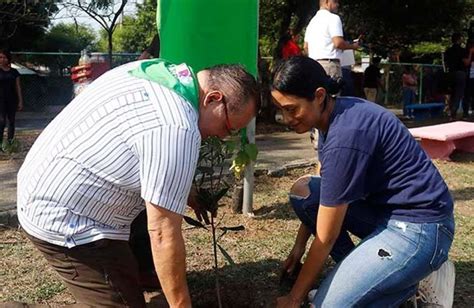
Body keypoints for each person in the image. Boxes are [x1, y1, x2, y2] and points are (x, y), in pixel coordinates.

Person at [17, 59, 259, 307]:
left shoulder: (161, 72)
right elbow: (163, 233)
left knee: (123, 275)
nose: (222, 136)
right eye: (227, 127)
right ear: (213, 99)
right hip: (68, 218)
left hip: (42, 183)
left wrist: (188, 192)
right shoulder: (177, 126)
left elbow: (144, 146)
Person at [271, 56, 455, 307]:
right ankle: (375, 277)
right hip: (387, 214)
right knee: (304, 192)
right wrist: (298, 247)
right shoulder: (334, 116)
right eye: (281, 109)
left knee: (328, 305)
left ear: (319, 95)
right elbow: (325, 195)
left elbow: (327, 236)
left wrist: (294, 298)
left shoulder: (346, 135)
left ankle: (410, 282)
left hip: (421, 229)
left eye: (291, 109)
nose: (287, 118)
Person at [304, 0, 360, 80]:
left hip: (314, 65)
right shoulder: (333, 18)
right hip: (329, 66)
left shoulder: (312, 22)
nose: (338, 4)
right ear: (327, 2)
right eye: (335, 1)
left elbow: (306, 47)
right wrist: (353, 46)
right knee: (331, 92)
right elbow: (338, 43)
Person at [0, 48, 23, 151]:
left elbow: (18, 87)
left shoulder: (14, 72)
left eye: (4, 57)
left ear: (8, 58)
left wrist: (20, 101)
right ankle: (0, 144)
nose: (2, 59)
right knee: (1, 122)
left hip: (11, 99)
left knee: (11, 121)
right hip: (0, 100)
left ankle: (10, 143)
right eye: (0, 57)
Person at [444, 32, 470, 120]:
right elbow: (466, 62)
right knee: (459, 94)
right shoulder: (462, 50)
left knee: (452, 93)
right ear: (459, 39)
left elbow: (446, 64)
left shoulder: (448, 51)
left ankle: (451, 112)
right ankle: (454, 113)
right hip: (460, 73)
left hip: (451, 73)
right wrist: (470, 53)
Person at [463, 39, 474, 118]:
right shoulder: (466, 53)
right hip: (469, 76)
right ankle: (465, 112)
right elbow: (467, 63)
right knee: (467, 95)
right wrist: (470, 52)